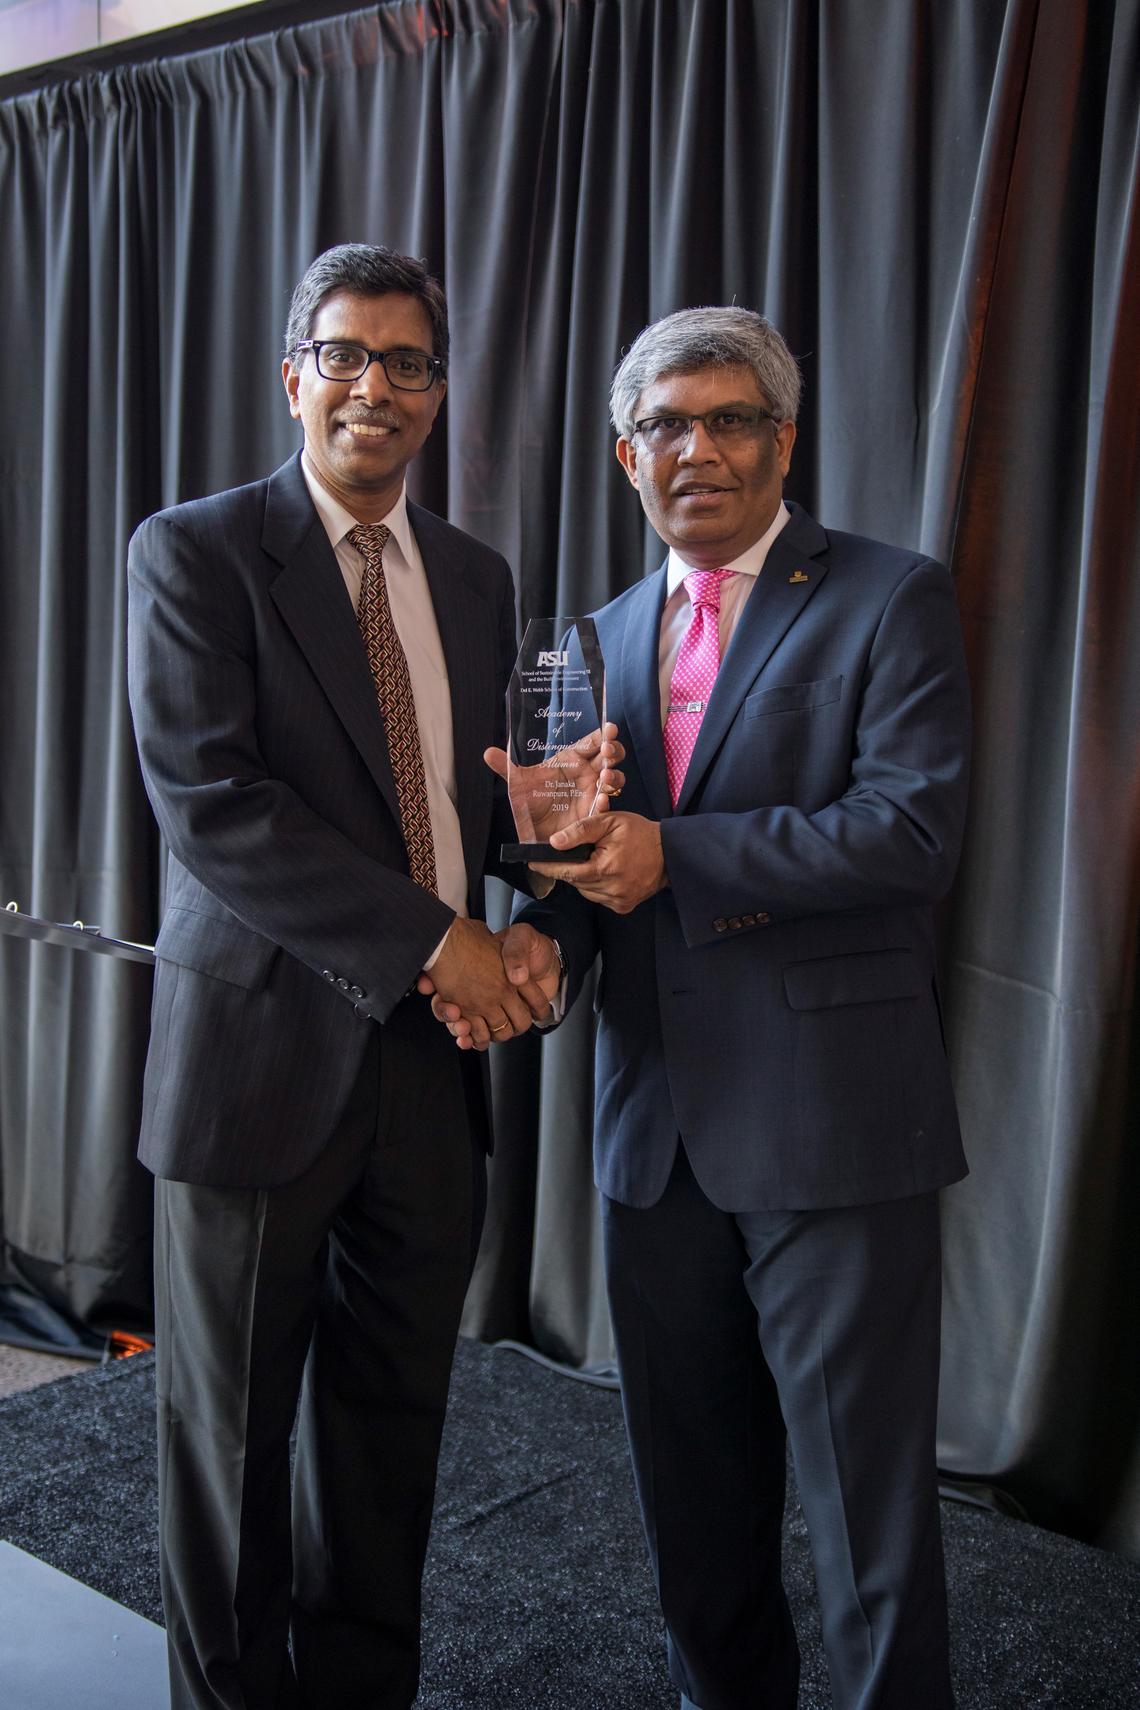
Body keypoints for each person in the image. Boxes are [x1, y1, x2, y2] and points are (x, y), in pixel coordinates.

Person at [428, 306, 971, 1708]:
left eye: (733, 418)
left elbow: (911, 832)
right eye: (668, 423)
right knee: (696, 1520)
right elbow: (596, 867)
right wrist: (541, 924)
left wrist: (679, 853)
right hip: (653, 1133)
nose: (701, 448)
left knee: (869, 1534)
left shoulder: (887, 593)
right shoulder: (592, 637)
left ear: (783, 440)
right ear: (626, 455)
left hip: (833, 1129)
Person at [126, 242, 617, 1710]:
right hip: (258, 1071)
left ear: (439, 393)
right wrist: (435, 935)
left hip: (429, 1072)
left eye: (406, 363)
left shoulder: (477, 577)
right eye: (343, 353)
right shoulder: (196, 551)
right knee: (228, 1450)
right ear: (294, 375)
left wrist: (546, 912)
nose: (373, 387)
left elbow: (484, 807)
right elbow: (216, 806)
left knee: (390, 1434)